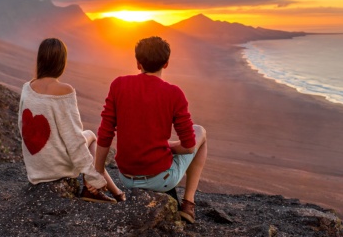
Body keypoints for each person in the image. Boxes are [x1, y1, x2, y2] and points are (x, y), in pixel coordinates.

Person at [95, 36, 207, 223]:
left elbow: (105, 132)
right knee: (201, 132)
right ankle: (188, 203)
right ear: (166, 64)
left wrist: (98, 170)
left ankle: (186, 202)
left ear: (138, 63)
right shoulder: (174, 93)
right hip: (160, 179)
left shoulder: (118, 85)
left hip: (126, 178)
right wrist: (168, 147)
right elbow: (189, 147)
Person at [18, 38, 124, 203]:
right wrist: (93, 177)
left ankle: (117, 193)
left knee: (85, 136)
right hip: (57, 168)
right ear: (62, 62)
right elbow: (74, 140)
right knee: (89, 136)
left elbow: (22, 127)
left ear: (40, 59)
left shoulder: (27, 88)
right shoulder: (65, 91)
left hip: (36, 169)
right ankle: (96, 190)